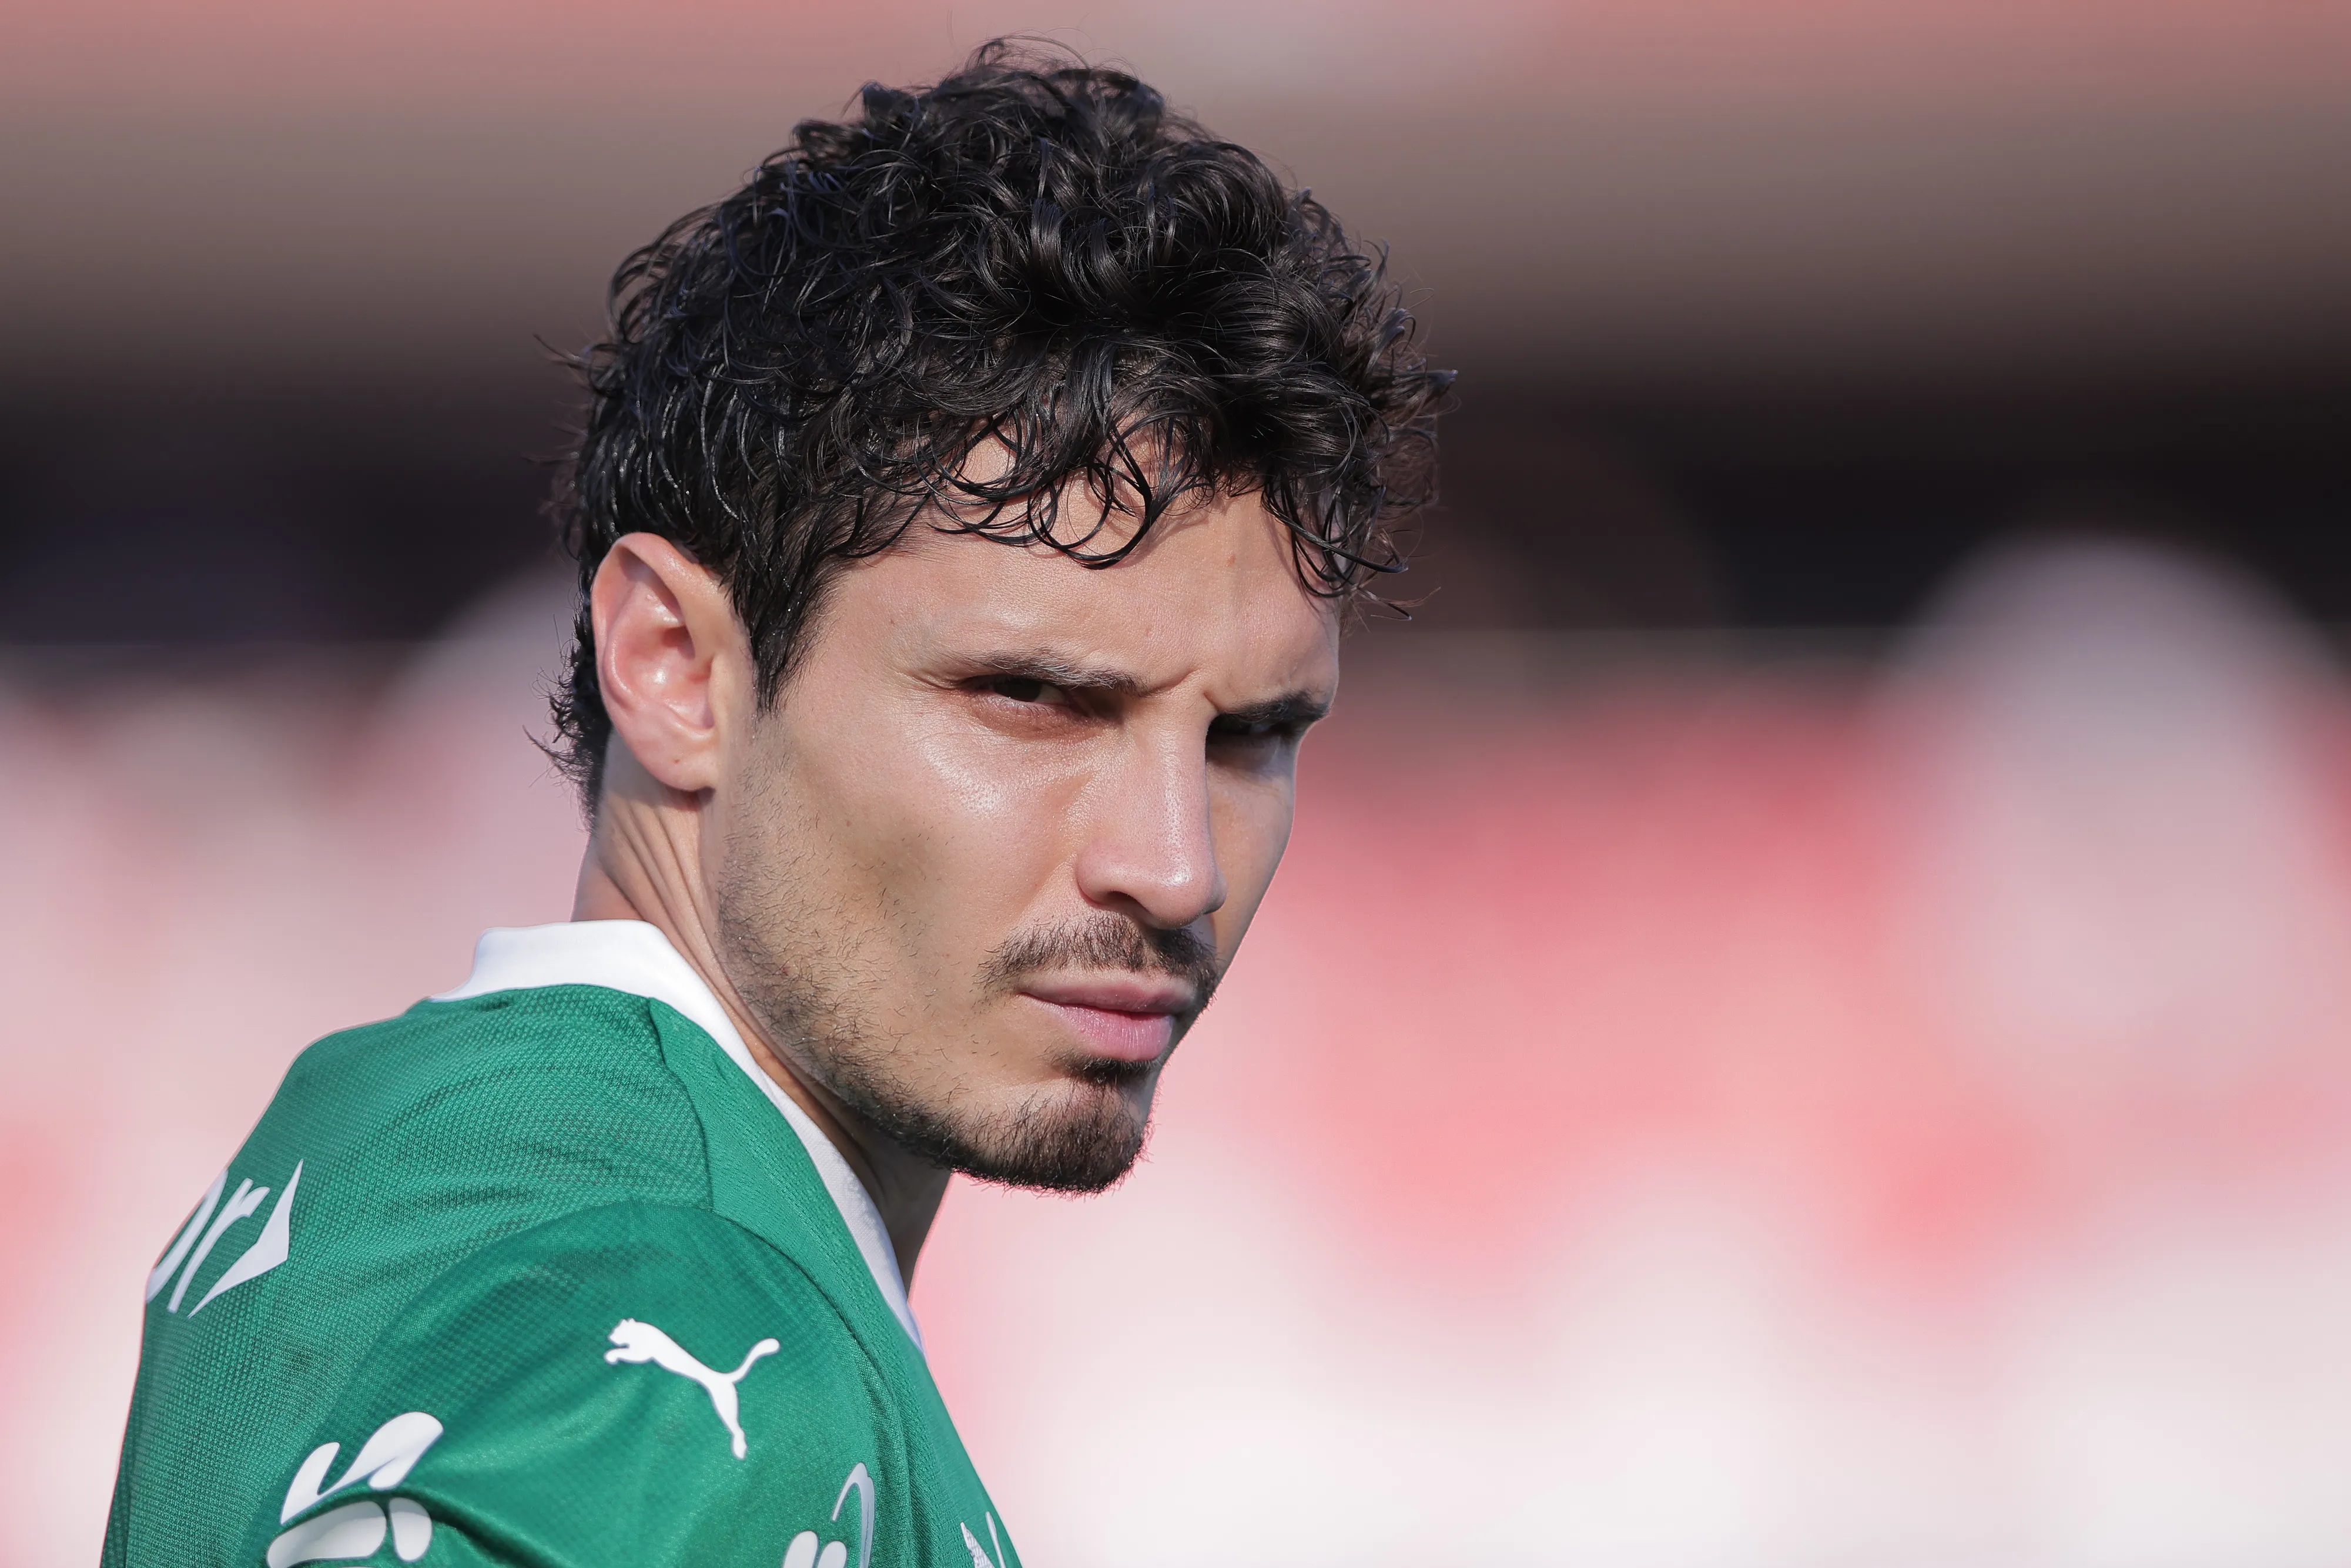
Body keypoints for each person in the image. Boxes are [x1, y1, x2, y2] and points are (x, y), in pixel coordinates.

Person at [103, 41, 1448, 1568]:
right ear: (674, 664)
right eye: (1035, 698)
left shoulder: (397, 1123)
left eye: (1254, 735)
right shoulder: (687, 1338)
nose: (1174, 864)